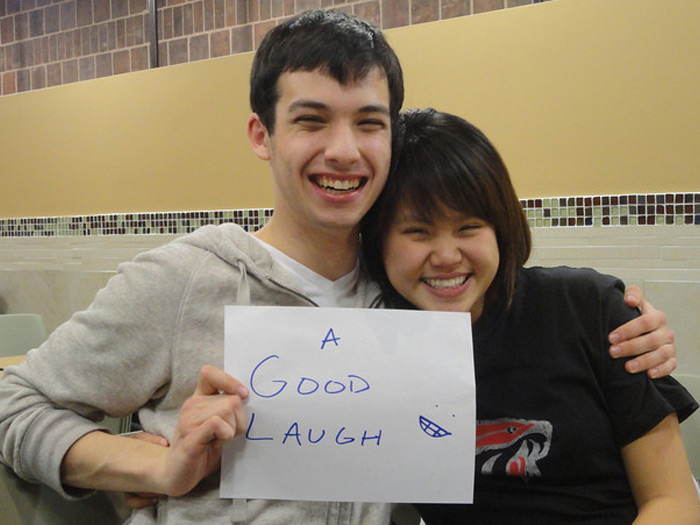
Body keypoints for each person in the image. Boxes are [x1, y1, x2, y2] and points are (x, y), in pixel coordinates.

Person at [0, 10, 677, 525]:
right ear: (262, 135)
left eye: (369, 122)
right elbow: (13, 401)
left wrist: (622, 316)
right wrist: (154, 463)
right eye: (312, 120)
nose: (345, 150)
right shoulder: (184, 280)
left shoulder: (411, 300)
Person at [361, 108, 700, 523]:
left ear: (501, 228)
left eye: (469, 227)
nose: (447, 257)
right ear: (379, 241)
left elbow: (672, 500)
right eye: (417, 232)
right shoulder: (370, 346)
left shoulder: (590, 310)